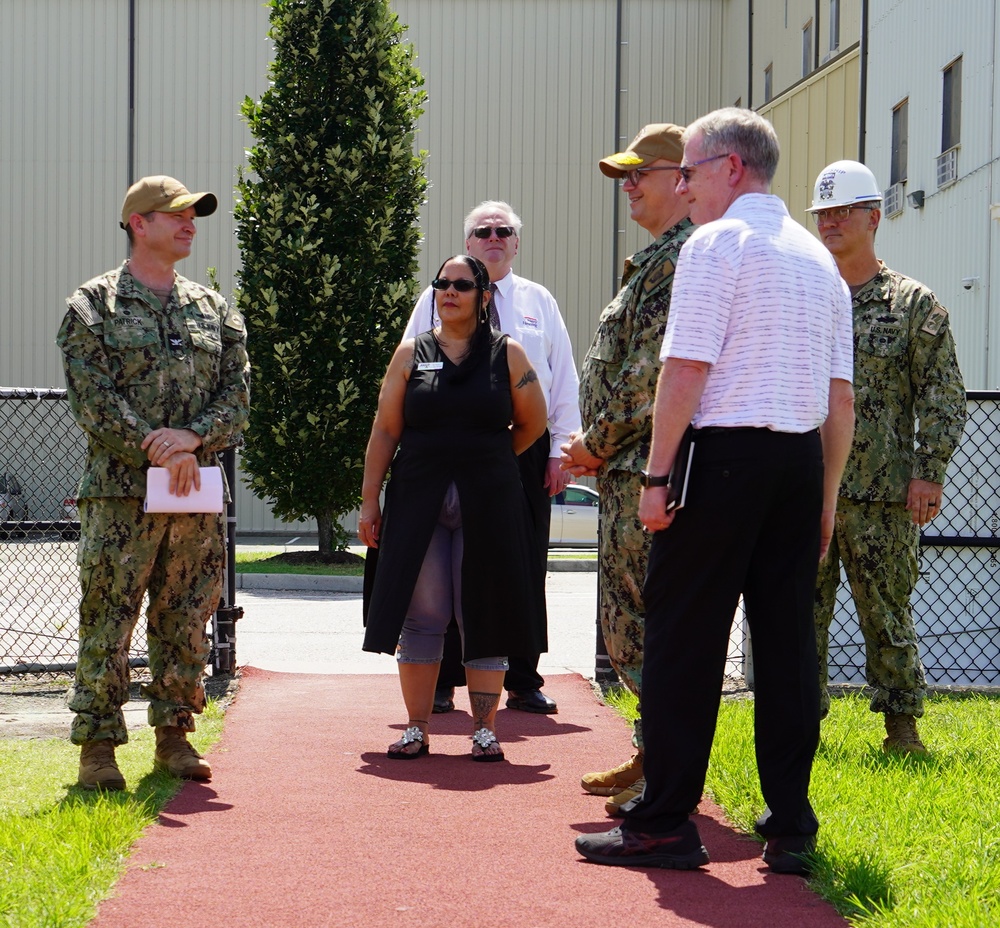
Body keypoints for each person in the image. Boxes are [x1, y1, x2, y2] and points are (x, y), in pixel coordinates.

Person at [575, 107, 855, 873]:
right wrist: (825, 498)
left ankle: (665, 823)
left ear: (732, 168)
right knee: (789, 648)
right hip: (799, 464)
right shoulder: (817, 259)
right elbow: (841, 400)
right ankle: (792, 826)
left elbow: (687, 369)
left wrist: (658, 474)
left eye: (692, 171)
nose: (686, 186)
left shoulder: (714, 243)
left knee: (681, 644)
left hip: (721, 459)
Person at [57, 175, 250, 791]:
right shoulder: (93, 306)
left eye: (195, 215)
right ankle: (97, 746)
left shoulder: (213, 308)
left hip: (194, 494)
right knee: (108, 617)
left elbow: (238, 394)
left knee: (186, 613)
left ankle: (174, 736)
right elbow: (93, 399)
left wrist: (192, 438)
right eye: (177, 214)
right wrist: (156, 447)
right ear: (139, 222)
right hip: (120, 494)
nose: (190, 223)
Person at [361, 255, 548, 761]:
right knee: (424, 614)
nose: (450, 292)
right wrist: (368, 501)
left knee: (481, 611)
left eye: (462, 285)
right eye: (442, 284)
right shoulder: (409, 354)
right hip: (418, 497)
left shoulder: (508, 355)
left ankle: (484, 730)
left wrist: (487, 459)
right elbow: (385, 430)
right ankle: (417, 728)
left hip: (488, 500)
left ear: (484, 296)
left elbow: (534, 423)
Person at [807, 160, 967, 753]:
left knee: (888, 617)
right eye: (823, 213)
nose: (831, 222)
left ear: (874, 217)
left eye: (843, 211)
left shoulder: (912, 304)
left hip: (883, 494)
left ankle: (901, 729)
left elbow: (943, 392)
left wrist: (931, 471)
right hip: (804, 486)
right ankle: (802, 728)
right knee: (800, 616)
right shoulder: (805, 295)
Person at [403, 200, 580, 716]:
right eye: (483, 231)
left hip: (523, 451)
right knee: (449, 568)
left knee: (521, 564)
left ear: (517, 243)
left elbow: (562, 378)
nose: (494, 237)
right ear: (468, 242)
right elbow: (411, 365)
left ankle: (523, 678)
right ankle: (442, 680)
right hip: (452, 451)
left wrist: (561, 450)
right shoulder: (437, 297)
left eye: (504, 230)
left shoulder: (538, 301)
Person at [561, 124, 693, 815]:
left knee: (648, 622)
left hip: (649, 472)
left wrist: (593, 443)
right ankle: (653, 754)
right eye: (624, 175)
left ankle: (664, 771)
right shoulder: (654, 260)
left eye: (641, 172)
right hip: (627, 472)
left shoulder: (681, 260)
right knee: (630, 620)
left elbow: (652, 377)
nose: (629, 185)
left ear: (683, 178)